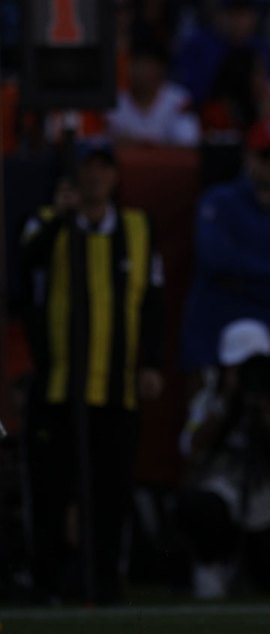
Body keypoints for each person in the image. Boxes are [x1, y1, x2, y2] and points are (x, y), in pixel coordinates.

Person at [19, 141, 165, 603]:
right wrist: (62, 217)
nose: (96, 178)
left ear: (116, 177)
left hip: (117, 387)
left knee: (111, 492)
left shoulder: (138, 229)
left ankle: (104, 580)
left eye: (104, 168)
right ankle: (46, 580)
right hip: (58, 385)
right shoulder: (46, 223)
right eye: (88, 168)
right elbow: (23, 269)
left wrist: (152, 363)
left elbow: (154, 303)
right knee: (51, 491)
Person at [176, 319, 270, 598]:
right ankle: (212, 564)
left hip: (266, 509)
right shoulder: (209, 401)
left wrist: (267, 416)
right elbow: (188, 448)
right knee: (198, 507)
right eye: (238, 369)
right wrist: (226, 403)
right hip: (221, 497)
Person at [181, 120, 270, 378]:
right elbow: (215, 259)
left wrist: (241, 276)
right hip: (215, 336)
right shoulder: (218, 203)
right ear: (248, 156)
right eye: (267, 156)